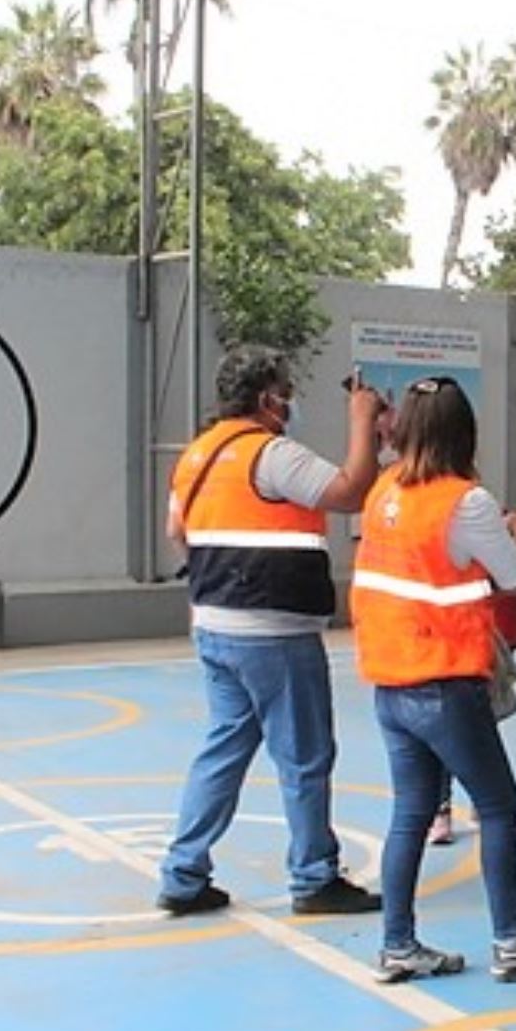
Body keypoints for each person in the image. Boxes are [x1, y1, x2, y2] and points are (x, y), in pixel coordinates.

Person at [351, 375, 516, 983]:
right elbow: (515, 579)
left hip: (391, 682)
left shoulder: (382, 492)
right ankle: (511, 942)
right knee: (500, 806)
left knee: (410, 813)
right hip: (446, 683)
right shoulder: (466, 501)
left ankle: (397, 944)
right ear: (465, 432)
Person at [156, 345, 385, 918]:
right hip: (273, 630)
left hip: (214, 623)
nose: (291, 401)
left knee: (225, 747)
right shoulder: (272, 456)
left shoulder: (196, 456)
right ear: (267, 398)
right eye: (286, 391)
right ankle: (313, 876)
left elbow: (176, 531)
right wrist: (362, 424)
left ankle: (183, 873)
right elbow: (351, 493)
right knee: (305, 754)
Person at [427, 498, 516, 846]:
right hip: (457, 637)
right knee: (454, 728)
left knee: (481, 724)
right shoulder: (441, 520)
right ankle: (444, 808)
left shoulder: (502, 517)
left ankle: (478, 802)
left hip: (493, 639)